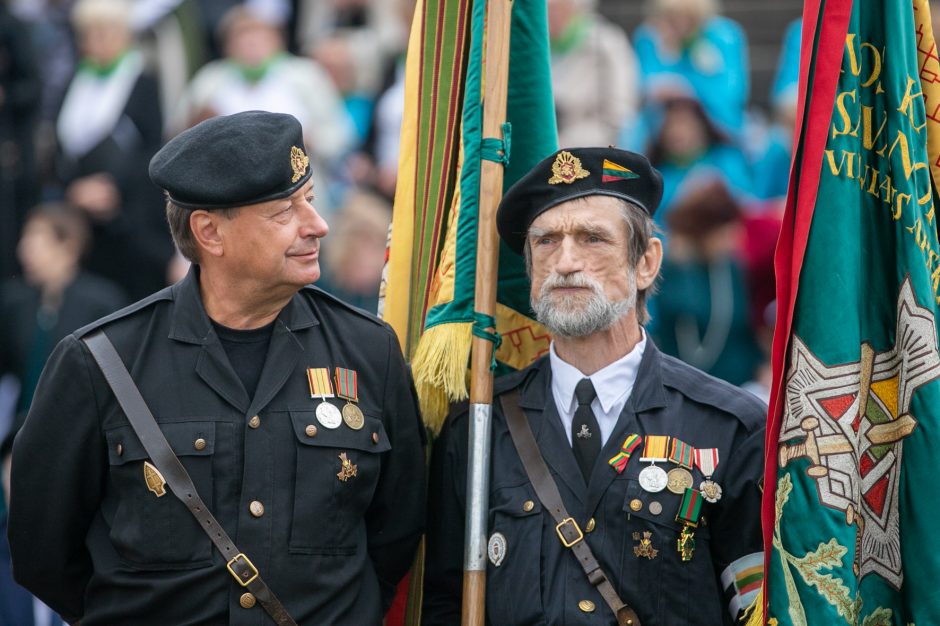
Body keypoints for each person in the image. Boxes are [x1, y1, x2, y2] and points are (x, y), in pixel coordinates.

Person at [8, 111, 426, 625]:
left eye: (310, 201)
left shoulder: (369, 351)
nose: (316, 225)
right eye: (283, 212)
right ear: (209, 232)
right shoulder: (100, 362)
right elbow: (41, 550)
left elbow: (398, 530)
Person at [422, 147, 765, 625]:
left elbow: (760, 610)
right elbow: (443, 602)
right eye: (545, 242)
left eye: (591, 239)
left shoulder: (729, 427)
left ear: (646, 262)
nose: (565, 262)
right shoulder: (478, 428)